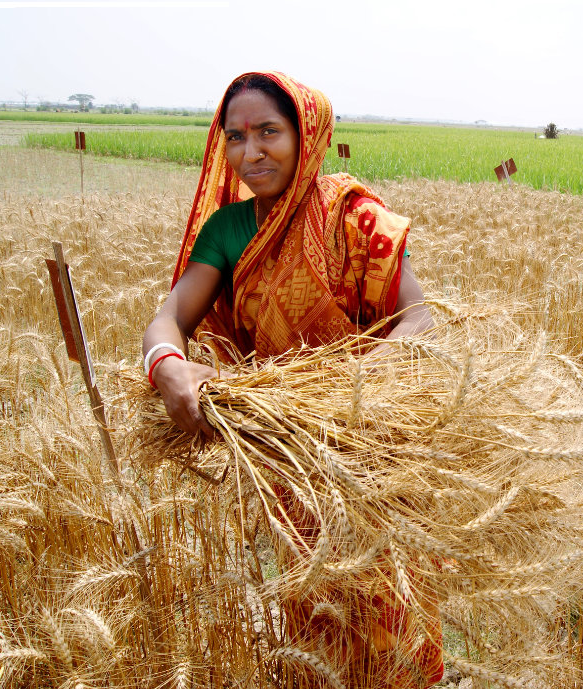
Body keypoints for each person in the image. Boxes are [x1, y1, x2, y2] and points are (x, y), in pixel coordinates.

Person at [141, 71, 441, 688]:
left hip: (373, 448)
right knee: (312, 610)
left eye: (268, 132)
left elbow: (420, 319)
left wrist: (353, 393)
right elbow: (170, 318)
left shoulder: (354, 217)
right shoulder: (227, 231)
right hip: (293, 461)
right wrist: (168, 368)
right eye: (235, 137)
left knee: (390, 617)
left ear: (307, 135)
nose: (250, 153)